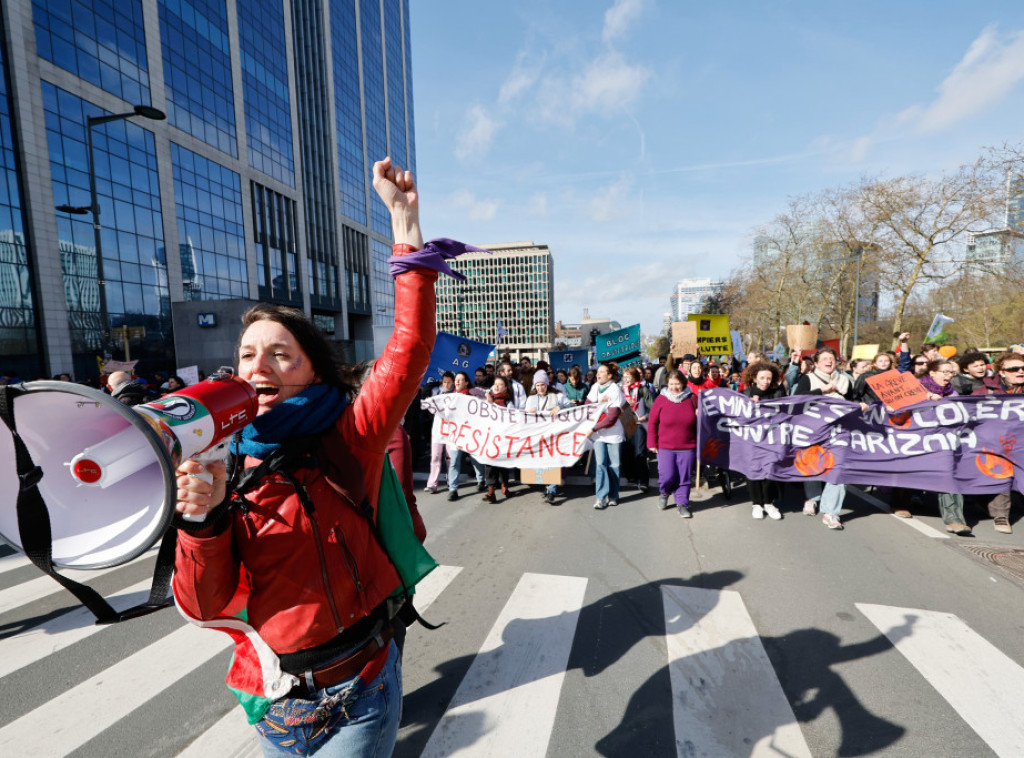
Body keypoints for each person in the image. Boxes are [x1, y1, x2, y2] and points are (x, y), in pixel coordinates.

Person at [173, 157, 453, 758]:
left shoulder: (347, 434)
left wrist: (405, 228)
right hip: (275, 702)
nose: (258, 367)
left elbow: (407, 352)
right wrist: (202, 520)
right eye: (248, 355)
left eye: (281, 354)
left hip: (360, 689)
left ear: (313, 371)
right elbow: (205, 603)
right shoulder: (224, 461)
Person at [794, 347, 855, 530]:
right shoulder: (808, 379)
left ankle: (831, 512)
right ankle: (812, 498)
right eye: (824, 359)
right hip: (814, 430)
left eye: (832, 358)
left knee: (838, 468)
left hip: (839, 431)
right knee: (814, 464)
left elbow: (852, 401)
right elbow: (797, 400)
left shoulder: (845, 381)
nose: (829, 361)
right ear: (817, 363)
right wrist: (820, 391)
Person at [968, 351, 1024, 533]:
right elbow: (969, 414)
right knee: (1003, 470)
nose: (1020, 371)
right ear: (1001, 372)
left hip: (1021, 444)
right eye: (1014, 369)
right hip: (994, 445)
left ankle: (984, 502)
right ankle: (1001, 515)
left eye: (1023, 368)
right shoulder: (985, 391)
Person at [647, 370, 698, 517]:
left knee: (684, 477)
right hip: (665, 446)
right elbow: (652, 423)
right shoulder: (661, 400)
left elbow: (704, 420)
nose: (674, 387)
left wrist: (700, 414)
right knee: (667, 476)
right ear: (667, 384)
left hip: (688, 446)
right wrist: (652, 442)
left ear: (683, 383)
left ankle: (682, 504)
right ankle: (665, 492)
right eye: (671, 384)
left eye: (677, 384)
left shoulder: (693, 398)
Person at [741, 362, 785, 520]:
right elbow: (739, 416)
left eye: (768, 378)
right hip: (752, 439)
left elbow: (785, 411)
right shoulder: (745, 393)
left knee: (771, 469)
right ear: (754, 378)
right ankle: (756, 503)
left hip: (772, 438)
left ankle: (768, 502)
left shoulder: (778, 392)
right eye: (762, 378)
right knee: (754, 470)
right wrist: (750, 406)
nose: (765, 381)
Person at [524, 369, 570, 504]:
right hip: (538, 435)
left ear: (547, 384)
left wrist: (560, 407)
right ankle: (547, 486)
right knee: (543, 462)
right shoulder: (531, 399)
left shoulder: (557, 396)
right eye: (537, 385)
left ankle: (551, 490)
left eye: (543, 384)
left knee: (554, 461)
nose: (540, 388)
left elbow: (572, 406)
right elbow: (523, 416)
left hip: (554, 434)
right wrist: (529, 413)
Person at [585, 363, 625, 510]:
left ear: (609, 375)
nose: (598, 374)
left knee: (614, 465)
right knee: (601, 464)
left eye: (602, 372)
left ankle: (613, 495)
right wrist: (598, 402)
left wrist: (594, 428)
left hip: (613, 433)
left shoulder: (615, 390)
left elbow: (612, 417)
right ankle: (601, 497)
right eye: (598, 371)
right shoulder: (595, 387)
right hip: (598, 435)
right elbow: (587, 404)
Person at [447, 371, 486, 500]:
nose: (457, 382)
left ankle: (481, 480)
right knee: (454, 461)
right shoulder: (449, 397)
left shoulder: (473, 393)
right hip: (455, 434)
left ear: (466, 382)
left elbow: (487, 396)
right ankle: (453, 489)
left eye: (460, 379)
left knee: (475, 458)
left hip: (470, 433)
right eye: (456, 379)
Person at [621, 365, 654, 493]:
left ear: (635, 377)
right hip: (624, 423)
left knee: (639, 453)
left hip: (639, 424)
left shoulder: (642, 389)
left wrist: (645, 416)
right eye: (624, 377)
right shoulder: (620, 390)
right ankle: (631, 476)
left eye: (629, 377)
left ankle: (643, 481)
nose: (626, 379)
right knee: (626, 452)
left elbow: (652, 408)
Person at [481, 376, 514, 502]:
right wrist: (488, 404)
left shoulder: (508, 402)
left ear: (505, 387)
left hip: (503, 437)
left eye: (500, 384)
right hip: (490, 436)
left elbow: (510, 417)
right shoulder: (487, 398)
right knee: (489, 463)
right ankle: (491, 491)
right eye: (495, 384)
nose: (497, 387)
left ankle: (504, 485)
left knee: (502, 463)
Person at [424, 371, 455, 494]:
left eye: (449, 382)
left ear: (453, 382)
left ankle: (451, 481)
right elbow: (425, 390)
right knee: (435, 457)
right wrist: (436, 383)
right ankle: (432, 484)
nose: (446, 384)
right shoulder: (436, 391)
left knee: (450, 458)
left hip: (451, 430)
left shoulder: (456, 393)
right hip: (437, 430)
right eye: (444, 382)